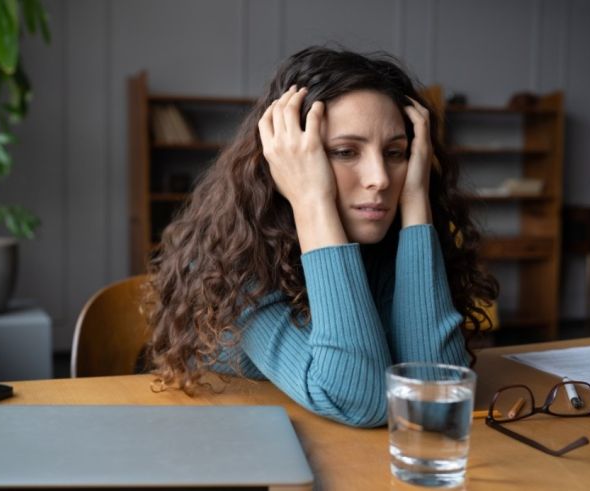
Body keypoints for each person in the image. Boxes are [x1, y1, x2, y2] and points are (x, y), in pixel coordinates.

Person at [144, 46, 498, 427]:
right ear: (287, 159)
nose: (380, 178)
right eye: (345, 151)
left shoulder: (389, 239)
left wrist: (415, 201)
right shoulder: (233, 262)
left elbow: (436, 396)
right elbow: (360, 400)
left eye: (396, 153)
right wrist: (311, 200)